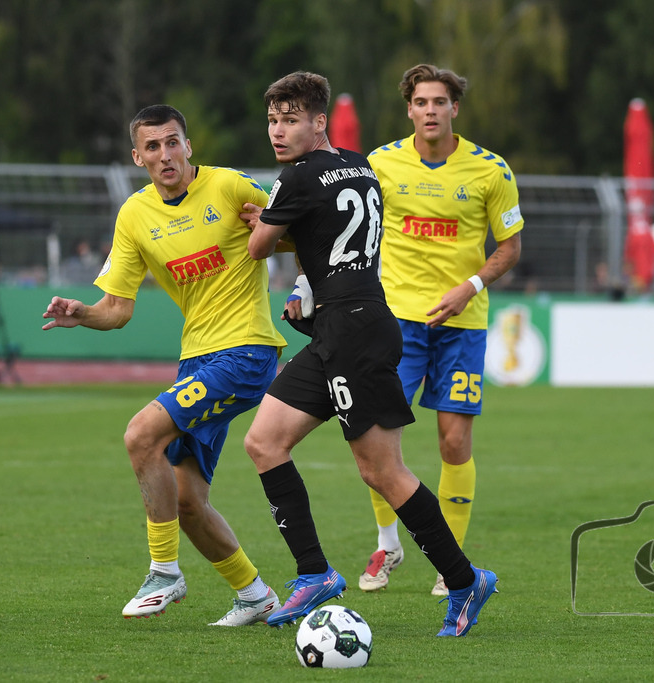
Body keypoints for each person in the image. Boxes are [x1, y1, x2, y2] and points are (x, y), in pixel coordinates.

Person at [242, 71, 498, 637]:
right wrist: (289, 237)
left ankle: (464, 580)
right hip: (346, 324)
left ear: (318, 123)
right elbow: (322, 231)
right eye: (273, 120)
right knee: (264, 442)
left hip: (355, 331)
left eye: (291, 120)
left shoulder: (298, 176)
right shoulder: (358, 164)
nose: (278, 132)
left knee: (382, 470)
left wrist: (263, 221)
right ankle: (315, 573)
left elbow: (261, 246)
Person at [41, 104, 288, 625]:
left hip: (247, 351)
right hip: (196, 359)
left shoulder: (230, 187)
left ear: (188, 145)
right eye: (152, 147)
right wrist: (81, 314)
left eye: (172, 142)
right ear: (138, 157)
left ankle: (164, 571)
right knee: (186, 500)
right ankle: (254, 594)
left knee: (139, 435)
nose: (165, 154)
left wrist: (283, 245)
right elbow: (118, 308)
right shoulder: (133, 215)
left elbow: (297, 228)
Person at [356, 64, 522, 597]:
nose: (430, 110)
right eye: (421, 102)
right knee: (375, 444)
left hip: (462, 324)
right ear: (409, 109)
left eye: (440, 102)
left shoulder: (490, 171)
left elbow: (510, 247)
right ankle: (388, 543)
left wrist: (469, 286)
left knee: (454, 441)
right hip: (396, 323)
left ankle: (450, 565)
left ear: (455, 109)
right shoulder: (380, 164)